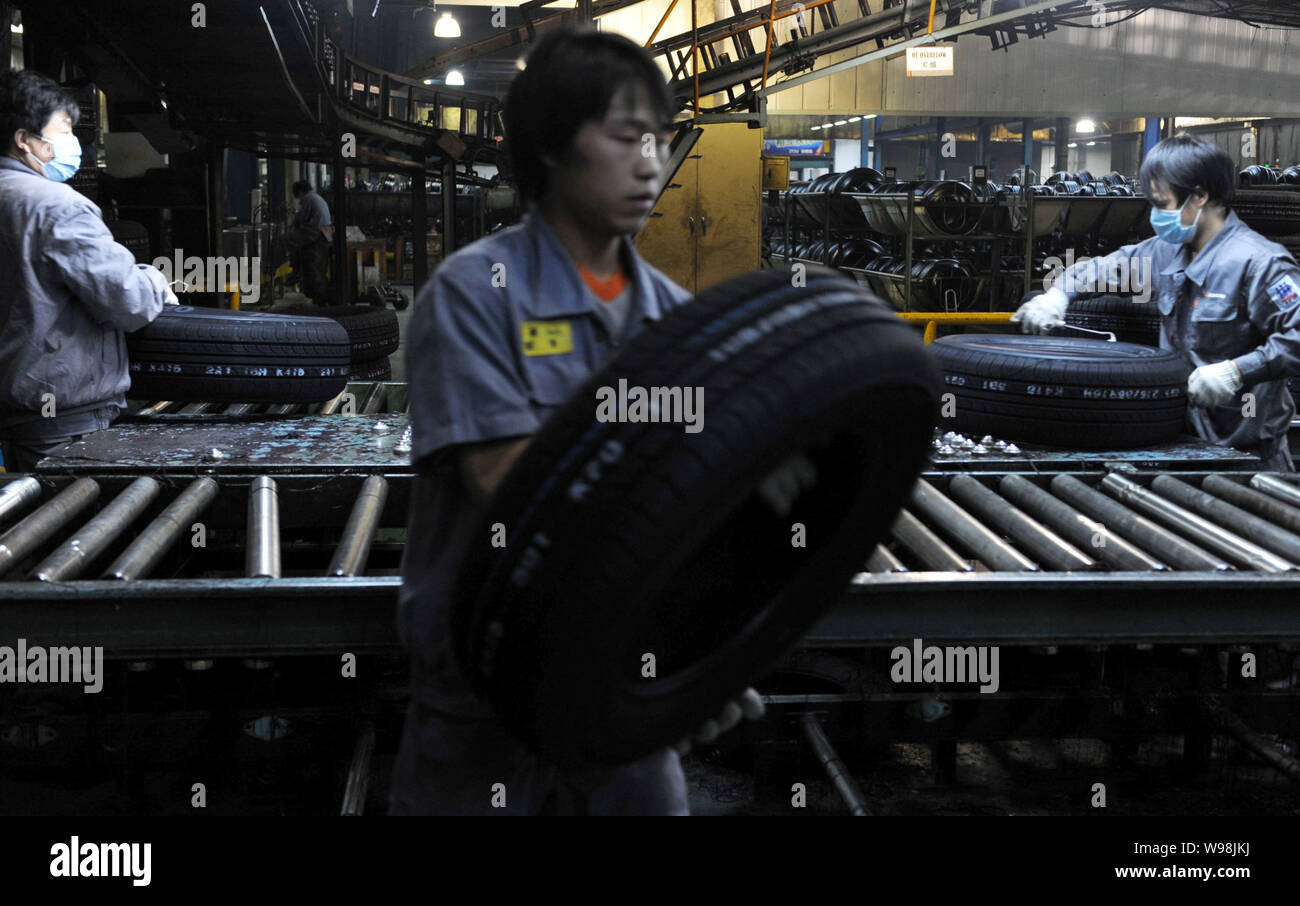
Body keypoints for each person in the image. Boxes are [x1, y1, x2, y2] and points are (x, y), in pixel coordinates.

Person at [390, 28, 767, 816]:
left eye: (659, 140)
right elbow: (508, 488)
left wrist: (700, 656)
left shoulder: (671, 318)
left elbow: (695, 496)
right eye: (626, 138)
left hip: (619, 689)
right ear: (553, 146)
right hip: (487, 690)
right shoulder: (474, 293)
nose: (651, 161)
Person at [1013, 133, 1300, 471]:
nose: (1154, 215)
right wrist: (1057, 295)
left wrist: (1236, 372)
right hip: (1186, 447)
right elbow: (1099, 270)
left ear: (1199, 197)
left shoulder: (1259, 263)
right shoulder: (1165, 252)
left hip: (1252, 458)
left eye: (1162, 204)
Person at [0, 70, 174, 473]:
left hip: (13, 410)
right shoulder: (57, 205)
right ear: (25, 139)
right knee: (75, 525)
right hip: (61, 417)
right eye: (63, 129)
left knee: (26, 522)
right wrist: (154, 279)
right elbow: (127, 301)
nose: (72, 141)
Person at [287, 179, 334, 305]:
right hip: (325, 233)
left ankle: (293, 270)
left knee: (288, 239)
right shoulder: (316, 197)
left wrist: (293, 225)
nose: (299, 200)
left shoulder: (308, 198)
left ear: (301, 192)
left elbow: (301, 218)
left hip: (315, 233)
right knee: (319, 267)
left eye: (298, 196)